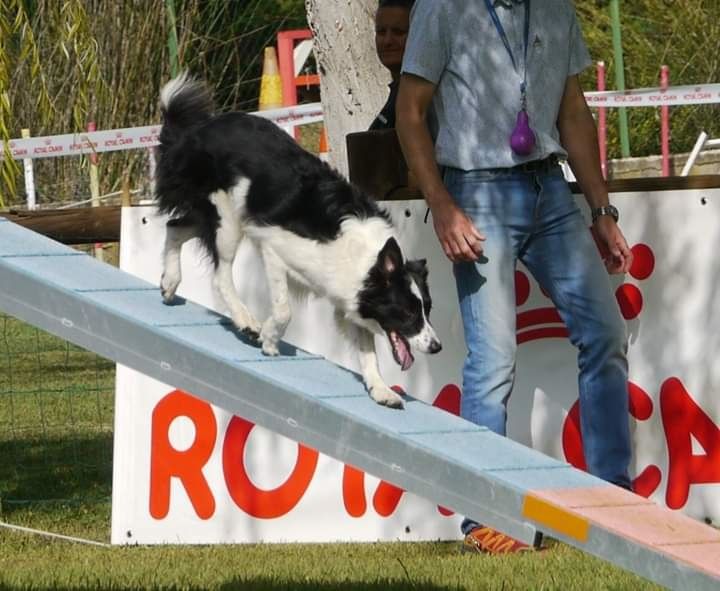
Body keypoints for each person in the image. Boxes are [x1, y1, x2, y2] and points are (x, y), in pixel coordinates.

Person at [396, 0, 634, 554]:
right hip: (475, 189)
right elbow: (410, 112)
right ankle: (486, 517)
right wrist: (443, 203)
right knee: (493, 357)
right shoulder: (441, 8)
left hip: (549, 187)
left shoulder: (555, 8)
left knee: (604, 333)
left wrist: (601, 210)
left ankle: (612, 504)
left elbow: (572, 110)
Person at [368, 0, 414, 130]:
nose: (388, 41)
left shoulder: (420, 100)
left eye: (398, 32)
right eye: (381, 32)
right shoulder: (397, 93)